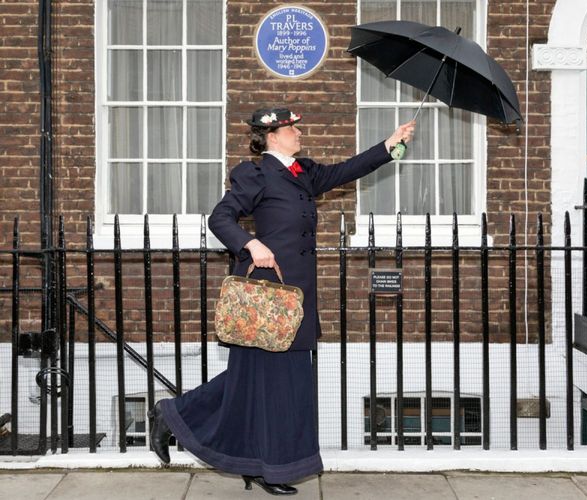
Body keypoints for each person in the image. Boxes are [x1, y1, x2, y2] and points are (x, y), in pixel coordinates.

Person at [148, 107, 415, 496]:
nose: (299, 132)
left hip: (296, 298)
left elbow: (347, 169)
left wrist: (389, 145)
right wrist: (250, 243)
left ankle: (248, 457)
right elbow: (220, 218)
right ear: (273, 135)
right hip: (266, 297)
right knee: (263, 383)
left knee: (271, 385)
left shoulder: (303, 172)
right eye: (293, 128)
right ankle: (185, 422)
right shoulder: (255, 174)